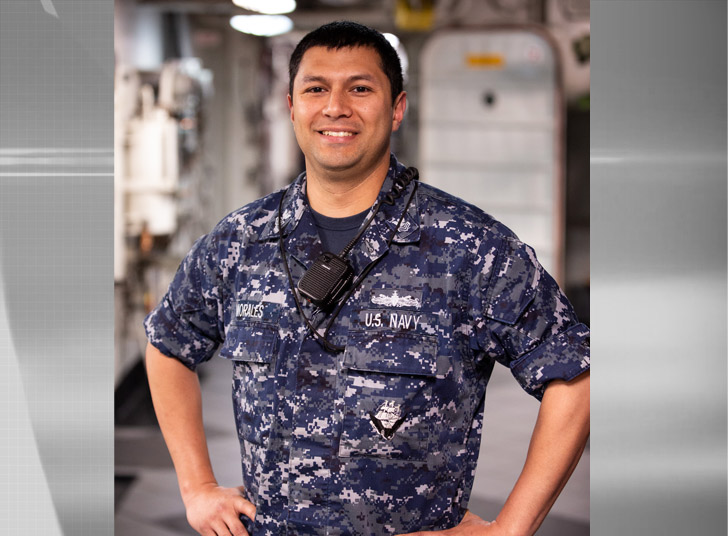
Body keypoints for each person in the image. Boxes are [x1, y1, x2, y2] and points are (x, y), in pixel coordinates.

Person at [144, 21, 590, 536]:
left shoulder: (466, 246)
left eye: (360, 88)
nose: (335, 107)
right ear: (292, 107)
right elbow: (168, 344)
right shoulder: (241, 241)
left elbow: (575, 376)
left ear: (396, 108)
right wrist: (197, 487)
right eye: (316, 89)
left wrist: (509, 529)